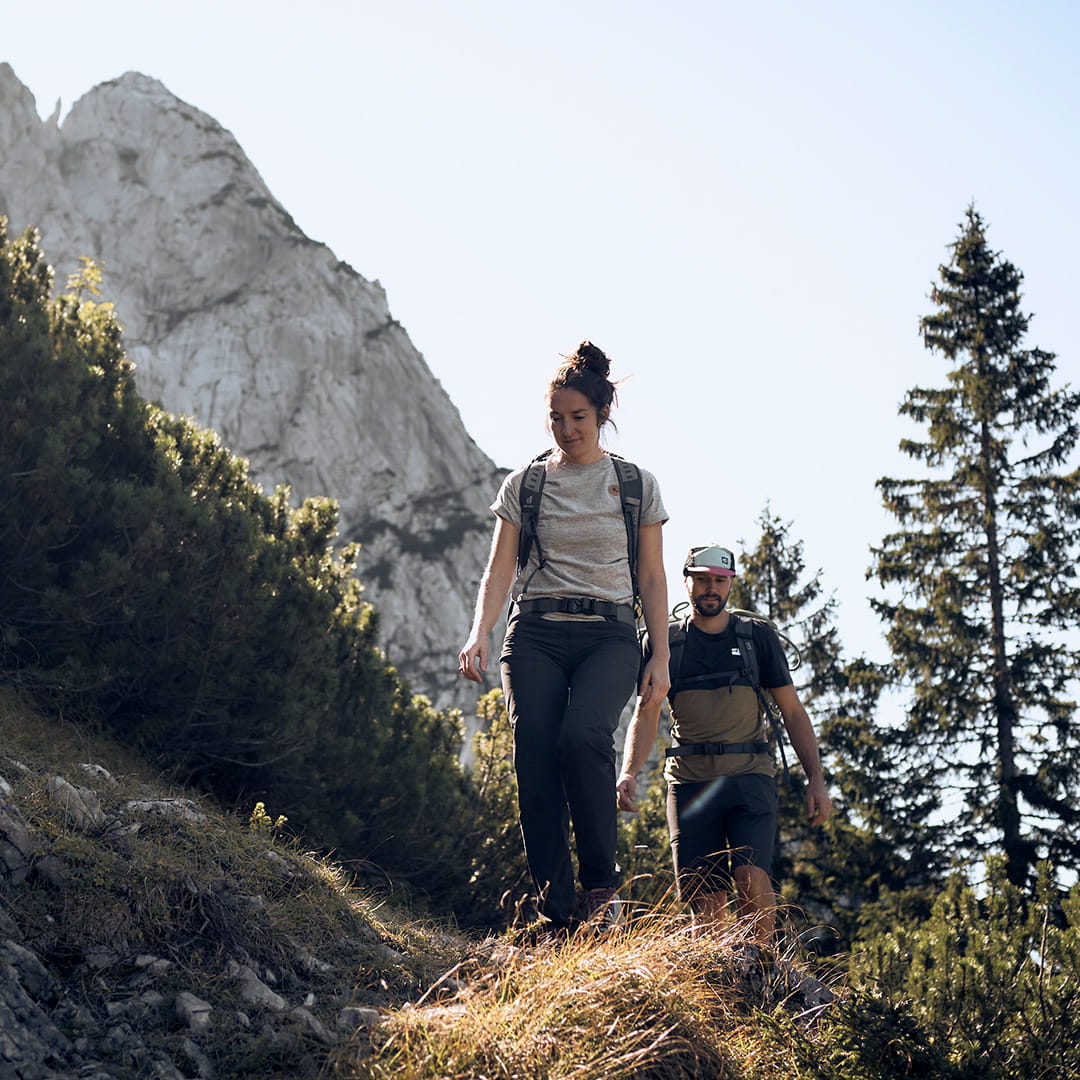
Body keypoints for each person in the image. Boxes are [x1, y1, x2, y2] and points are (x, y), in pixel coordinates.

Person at [458, 341, 670, 932]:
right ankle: (555, 912)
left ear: (602, 415)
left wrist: (661, 657)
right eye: (556, 417)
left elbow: (651, 577)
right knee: (535, 758)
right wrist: (480, 633)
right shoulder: (524, 485)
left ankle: (602, 889)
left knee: (583, 739)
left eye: (578, 417)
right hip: (536, 635)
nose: (567, 428)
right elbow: (499, 570)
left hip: (610, 635)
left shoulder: (634, 485)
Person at [616, 543, 831, 942]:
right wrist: (627, 771)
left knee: (751, 877)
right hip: (690, 784)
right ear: (687, 583)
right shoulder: (665, 645)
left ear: (730, 584)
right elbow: (646, 714)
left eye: (719, 580)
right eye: (701, 580)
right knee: (707, 903)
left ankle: (763, 970)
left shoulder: (757, 638)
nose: (710, 588)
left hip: (749, 776)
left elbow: (793, 712)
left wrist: (815, 778)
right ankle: (721, 991)